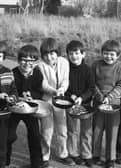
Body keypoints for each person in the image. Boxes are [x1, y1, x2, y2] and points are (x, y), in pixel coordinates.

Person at [38, 37, 75, 167]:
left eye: (52, 53)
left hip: (61, 100)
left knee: (62, 129)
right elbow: (42, 84)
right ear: (42, 55)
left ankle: (63, 154)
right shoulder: (40, 66)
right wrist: (54, 91)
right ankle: (44, 157)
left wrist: (62, 89)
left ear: (57, 52)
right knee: (46, 131)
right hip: (46, 101)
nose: (49, 57)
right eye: (46, 54)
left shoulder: (64, 62)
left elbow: (66, 80)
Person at [6, 44, 43, 168]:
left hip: (30, 109)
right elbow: (10, 92)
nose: (27, 63)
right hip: (14, 108)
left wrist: (32, 96)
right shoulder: (13, 74)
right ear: (18, 61)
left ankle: (37, 163)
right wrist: (20, 98)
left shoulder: (38, 74)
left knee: (35, 136)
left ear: (36, 62)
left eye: (31, 60)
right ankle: (5, 161)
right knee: (9, 136)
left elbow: (39, 92)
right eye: (24, 60)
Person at [92, 40, 121, 168]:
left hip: (114, 104)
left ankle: (110, 158)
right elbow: (92, 83)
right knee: (97, 129)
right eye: (106, 53)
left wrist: (110, 97)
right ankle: (95, 154)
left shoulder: (120, 66)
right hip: (98, 102)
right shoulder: (96, 65)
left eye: (112, 54)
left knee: (113, 130)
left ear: (117, 55)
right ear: (102, 53)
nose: (108, 57)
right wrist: (100, 96)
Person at [65, 40, 95, 168]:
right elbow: (63, 87)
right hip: (70, 104)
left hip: (86, 105)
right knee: (72, 130)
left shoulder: (88, 70)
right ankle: (74, 153)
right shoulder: (65, 69)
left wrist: (82, 98)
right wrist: (70, 96)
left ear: (83, 54)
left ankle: (86, 154)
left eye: (77, 53)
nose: (74, 56)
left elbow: (91, 88)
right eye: (71, 53)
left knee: (86, 131)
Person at [0, 41, 18, 168]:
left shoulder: (8, 72)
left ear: (3, 58)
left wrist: (12, 98)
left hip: (4, 114)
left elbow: (14, 90)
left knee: (3, 143)